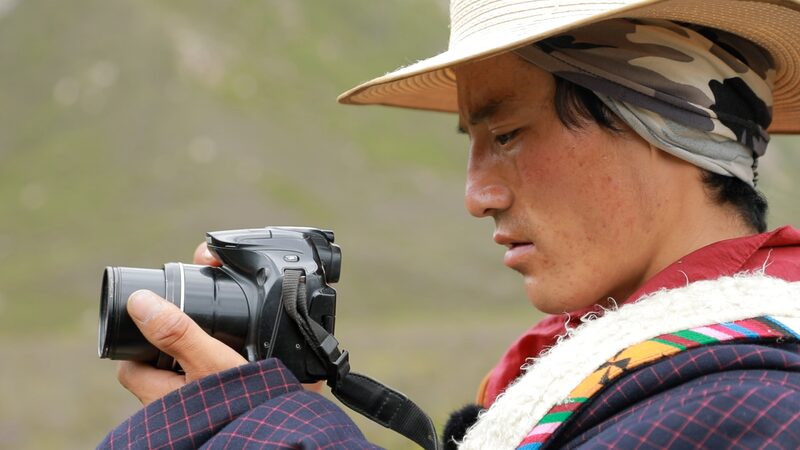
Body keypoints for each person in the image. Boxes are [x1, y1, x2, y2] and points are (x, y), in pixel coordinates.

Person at [100, 0, 800, 448]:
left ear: (664, 129)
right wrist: (292, 407)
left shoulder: (749, 409)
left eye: (510, 134)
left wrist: (281, 435)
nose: (477, 194)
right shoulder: (623, 378)